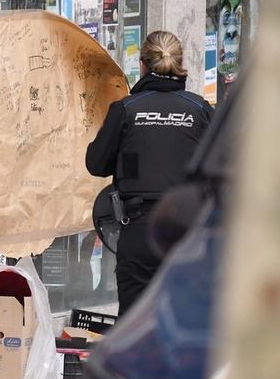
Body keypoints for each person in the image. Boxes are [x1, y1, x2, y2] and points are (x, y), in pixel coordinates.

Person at [85, 31, 214, 313]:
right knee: (185, 318)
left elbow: (96, 164)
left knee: (133, 323)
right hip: (186, 233)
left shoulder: (126, 110)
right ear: (180, 63)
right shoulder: (200, 109)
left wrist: (129, 157)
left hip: (140, 232)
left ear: (142, 65)